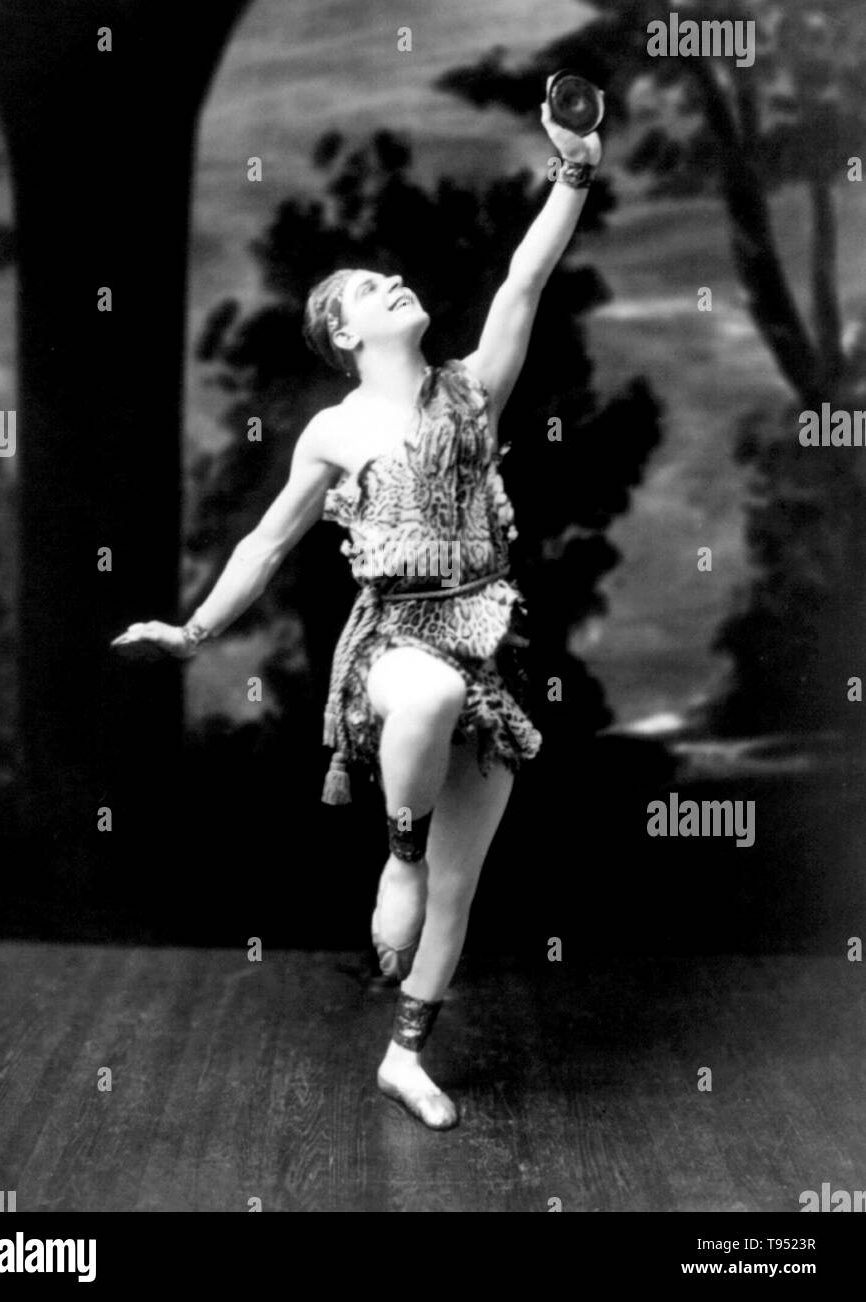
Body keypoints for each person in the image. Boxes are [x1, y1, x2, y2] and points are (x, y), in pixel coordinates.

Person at [112, 85, 602, 1130]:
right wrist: (196, 630)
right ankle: (398, 852)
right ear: (342, 331)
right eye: (372, 288)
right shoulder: (334, 430)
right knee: (420, 705)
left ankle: (406, 1053)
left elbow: (526, 276)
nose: (395, 283)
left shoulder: (473, 389)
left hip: (485, 650)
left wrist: (574, 168)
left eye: (393, 277)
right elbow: (267, 539)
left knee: (461, 894)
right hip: (393, 647)